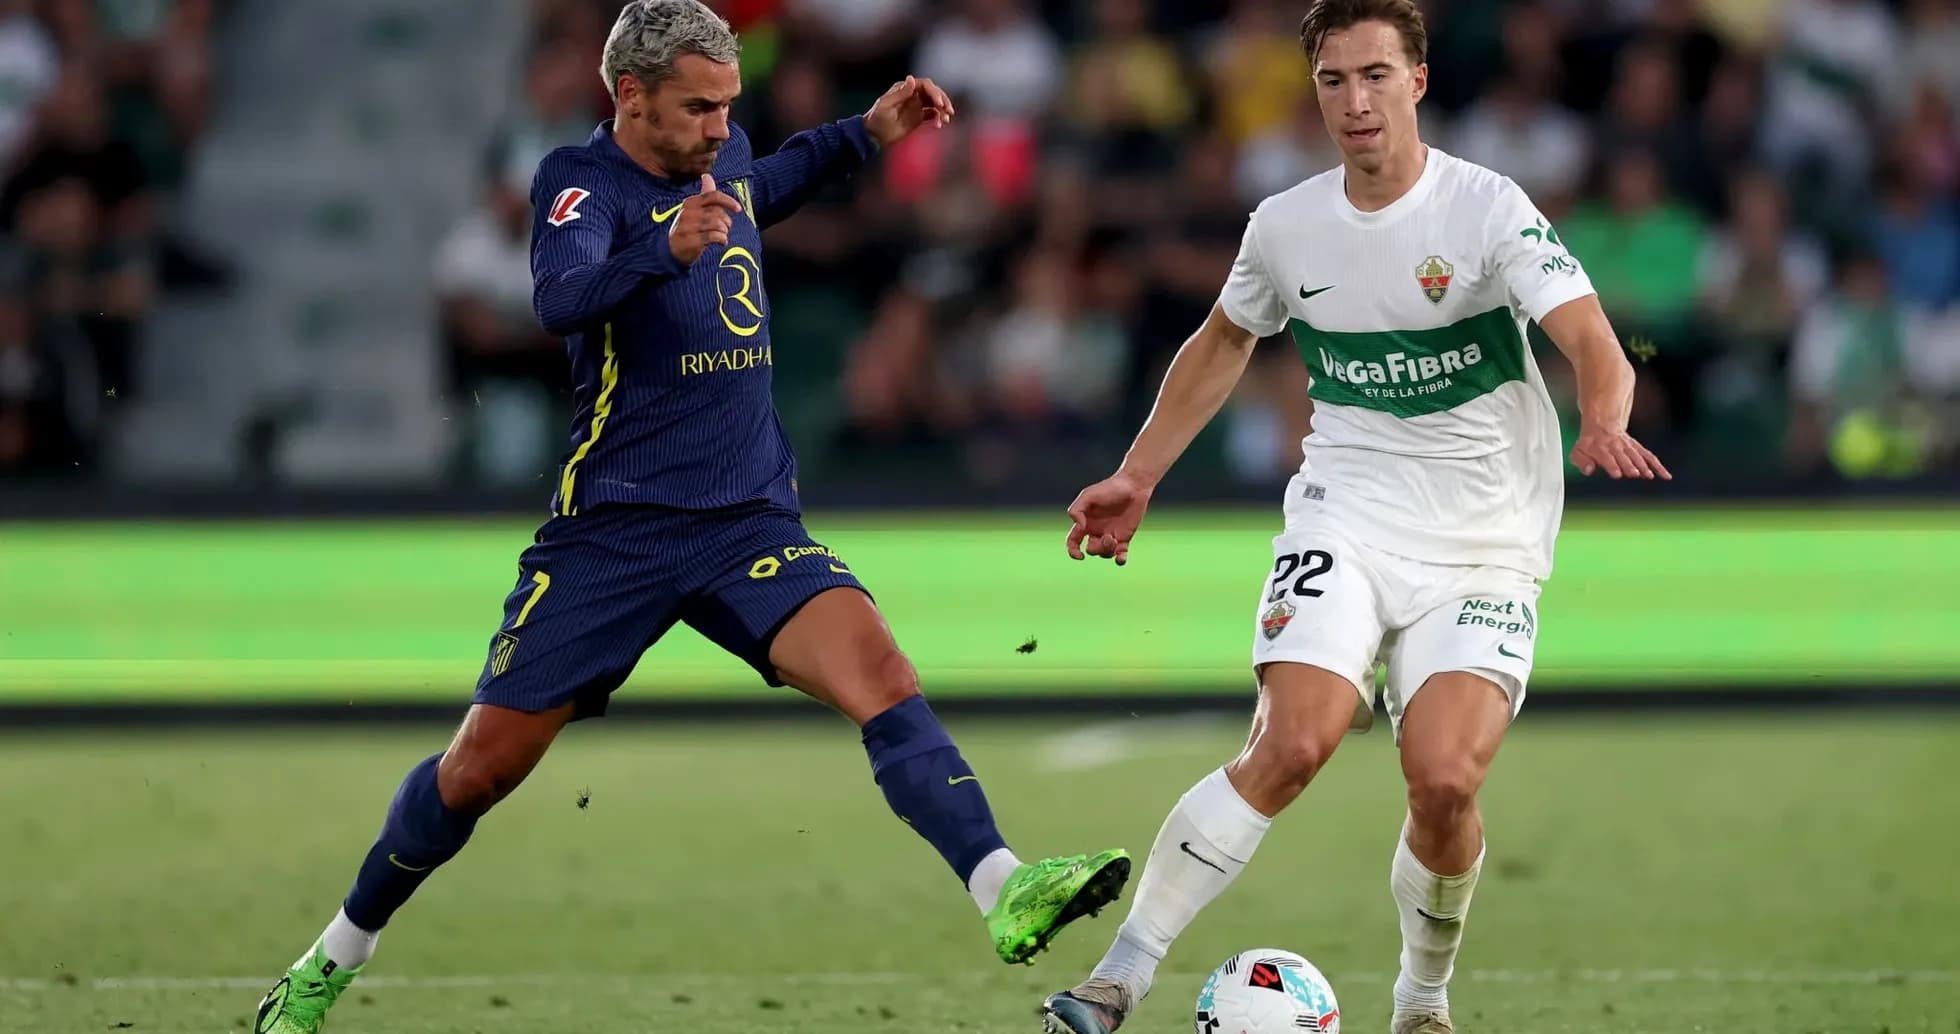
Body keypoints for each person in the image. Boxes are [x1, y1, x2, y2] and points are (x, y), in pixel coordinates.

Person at [248, 4, 1130, 1031]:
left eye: (727, 106)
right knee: (476, 771)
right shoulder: (579, 184)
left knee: (883, 673)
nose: (719, 128)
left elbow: (770, 181)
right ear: (631, 96)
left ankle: (1003, 885)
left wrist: (865, 133)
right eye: (698, 108)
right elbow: (560, 299)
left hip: (747, 518)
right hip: (614, 531)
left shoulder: (725, 157)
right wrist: (661, 249)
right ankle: (333, 954)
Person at [1039, 2, 1669, 1033]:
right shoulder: (1286, 225)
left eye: (1375, 75)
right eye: (1333, 80)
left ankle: (1421, 999)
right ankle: (1120, 975)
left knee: (1444, 780)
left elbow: (1592, 337)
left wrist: (1602, 418)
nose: (1355, 100)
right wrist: (1137, 474)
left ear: (1417, 80)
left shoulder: (1486, 207)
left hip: (1485, 542)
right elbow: (1224, 340)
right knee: (1291, 743)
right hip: (1348, 512)